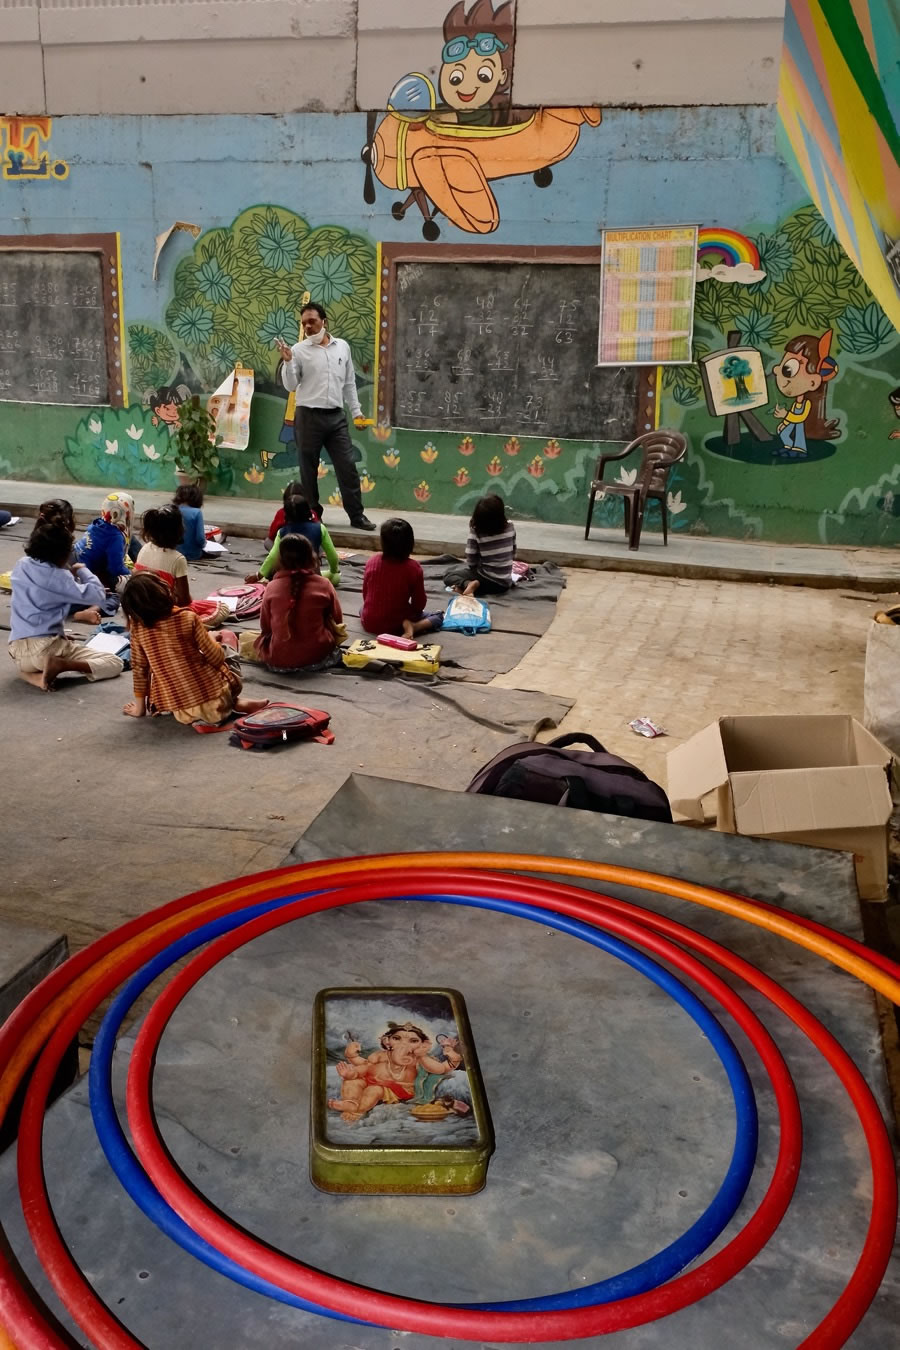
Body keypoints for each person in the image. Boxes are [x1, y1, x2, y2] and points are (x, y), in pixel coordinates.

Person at [274, 302, 376, 531]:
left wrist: (357, 411)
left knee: (347, 465)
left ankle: (357, 516)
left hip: (336, 417)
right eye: (304, 323)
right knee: (308, 469)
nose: (308, 327)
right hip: (308, 416)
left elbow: (349, 382)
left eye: (312, 321)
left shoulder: (342, 347)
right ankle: (313, 515)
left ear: (324, 321)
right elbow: (291, 385)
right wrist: (288, 362)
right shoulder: (298, 350)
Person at [121, 573, 267, 728]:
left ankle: (226, 706)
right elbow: (216, 659)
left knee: (160, 669)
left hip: (181, 710)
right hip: (218, 698)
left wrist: (140, 708)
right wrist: (211, 638)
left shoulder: (137, 630)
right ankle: (235, 701)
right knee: (227, 637)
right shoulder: (188, 617)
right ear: (164, 592)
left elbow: (139, 669)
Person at [7, 521, 124, 690]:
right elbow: (98, 594)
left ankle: (32, 676)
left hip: (17, 651)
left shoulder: (22, 564)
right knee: (114, 662)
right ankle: (61, 665)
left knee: (49, 647)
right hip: (46, 650)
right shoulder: (60, 577)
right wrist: (81, 570)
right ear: (64, 555)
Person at [328, 1022, 460, 1124]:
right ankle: (351, 1102)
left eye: (413, 1041)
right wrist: (351, 1057)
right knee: (353, 1082)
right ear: (387, 1040)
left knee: (374, 1090)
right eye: (397, 1038)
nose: (404, 1043)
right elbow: (365, 1066)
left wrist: (441, 1051)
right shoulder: (380, 1055)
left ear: (423, 1044)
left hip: (398, 1089)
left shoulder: (419, 1059)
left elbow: (441, 1069)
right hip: (371, 1080)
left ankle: (358, 1109)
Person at [253, 534, 345, 673]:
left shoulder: (271, 587)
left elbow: (265, 628)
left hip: (278, 660)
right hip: (318, 656)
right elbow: (338, 620)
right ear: (312, 557)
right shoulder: (324, 584)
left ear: (280, 560)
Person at [360, 517, 443, 638]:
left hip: (370, 623)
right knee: (438, 617)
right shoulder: (414, 568)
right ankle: (415, 627)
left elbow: (365, 595)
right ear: (410, 543)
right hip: (397, 625)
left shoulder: (371, 561)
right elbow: (419, 604)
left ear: (383, 542)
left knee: (363, 608)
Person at [249, 492, 341, 586]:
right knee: (336, 577)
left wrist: (259, 575)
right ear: (308, 510)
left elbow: (272, 556)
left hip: (286, 579)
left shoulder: (282, 532)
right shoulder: (320, 528)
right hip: (312, 578)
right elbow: (332, 555)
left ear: (286, 513)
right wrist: (334, 571)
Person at [443, 493, 516, 595]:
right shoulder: (510, 526)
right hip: (505, 583)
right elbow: (513, 551)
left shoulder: (477, 531)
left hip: (486, 579)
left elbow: (471, 559)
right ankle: (470, 588)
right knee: (465, 573)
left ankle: (467, 584)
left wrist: (475, 571)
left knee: (449, 575)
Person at [73, 491, 134, 591]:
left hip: (76, 562)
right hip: (87, 576)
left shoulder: (97, 523)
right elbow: (116, 569)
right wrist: (132, 573)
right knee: (129, 580)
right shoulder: (115, 537)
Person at [173, 484, 208, 561]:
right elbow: (200, 538)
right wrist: (204, 544)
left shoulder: (172, 510)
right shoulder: (197, 512)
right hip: (192, 555)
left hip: (173, 553)